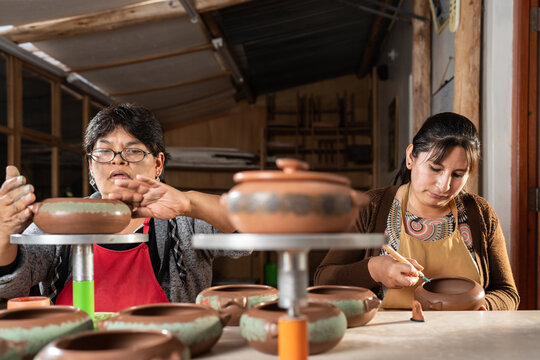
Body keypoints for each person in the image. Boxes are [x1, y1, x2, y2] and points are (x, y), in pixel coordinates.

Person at [0, 103, 249, 312]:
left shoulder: (182, 219)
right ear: (90, 165)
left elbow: (251, 229)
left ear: (158, 164)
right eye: (105, 151)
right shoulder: (58, 221)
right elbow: (11, 285)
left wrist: (189, 203)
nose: (118, 159)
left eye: (133, 151)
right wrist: (3, 232)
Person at [314, 112, 519, 310]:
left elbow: (507, 293)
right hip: (389, 338)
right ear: (411, 157)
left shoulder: (480, 213)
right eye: (435, 168)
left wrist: (480, 308)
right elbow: (322, 279)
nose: (444, 185)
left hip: (465, 338)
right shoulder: (371, 207)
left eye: (458, 174)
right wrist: (373, 269)